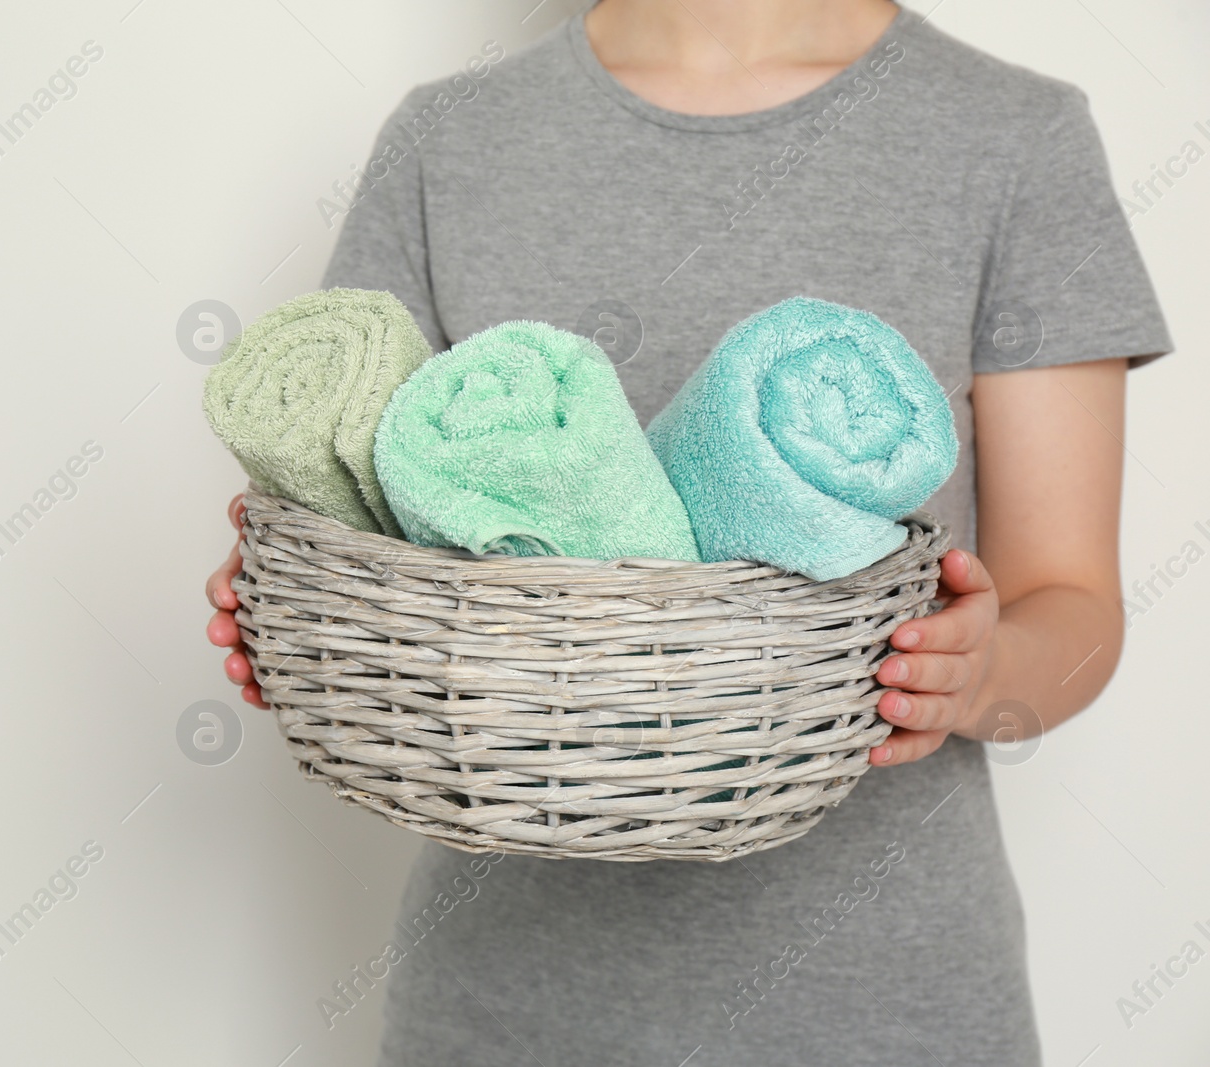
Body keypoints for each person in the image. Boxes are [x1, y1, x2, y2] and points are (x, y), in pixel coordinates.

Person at [204, 0, 1173, 1062]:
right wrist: (307, 615)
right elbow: (360, 497)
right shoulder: (452, 140)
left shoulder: (1010, 137)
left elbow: (1070, 603)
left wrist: (976, 670)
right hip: (507, 1006)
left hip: (886, 1006)